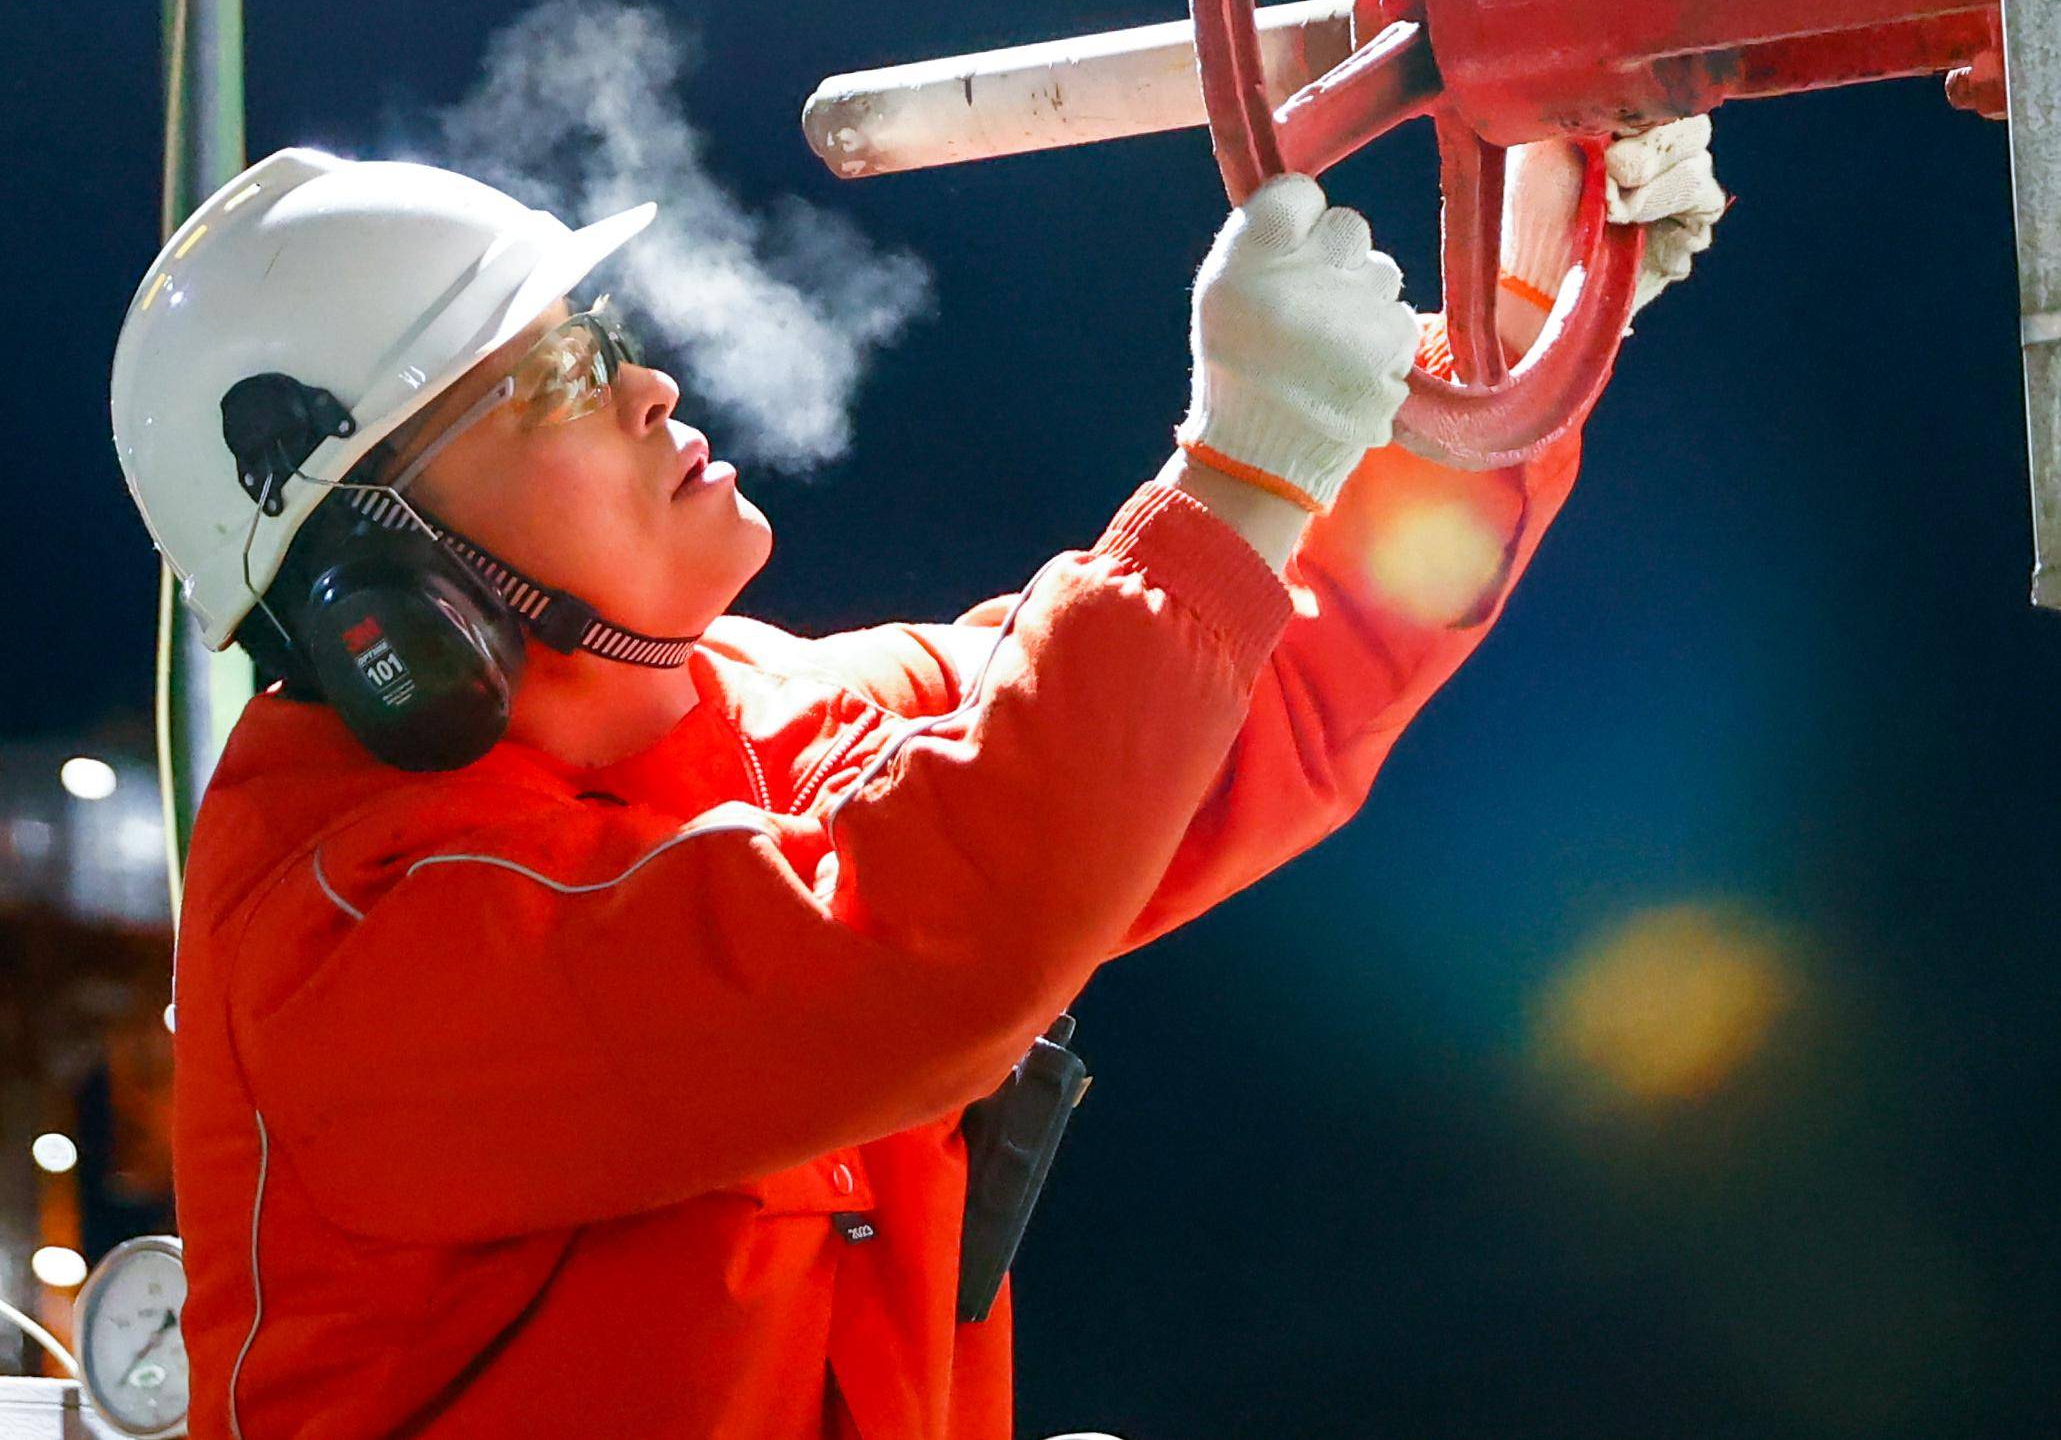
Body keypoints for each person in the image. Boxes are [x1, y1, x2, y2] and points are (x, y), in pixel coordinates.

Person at [111, 118, 1724, 1440]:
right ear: (387, 602)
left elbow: (1218, 686)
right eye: (547, 381)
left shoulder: (755, 720)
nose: (649, 387)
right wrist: (1230, 475)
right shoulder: (350, 955)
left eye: (603, 341)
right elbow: (898, 938)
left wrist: (1518, 315)